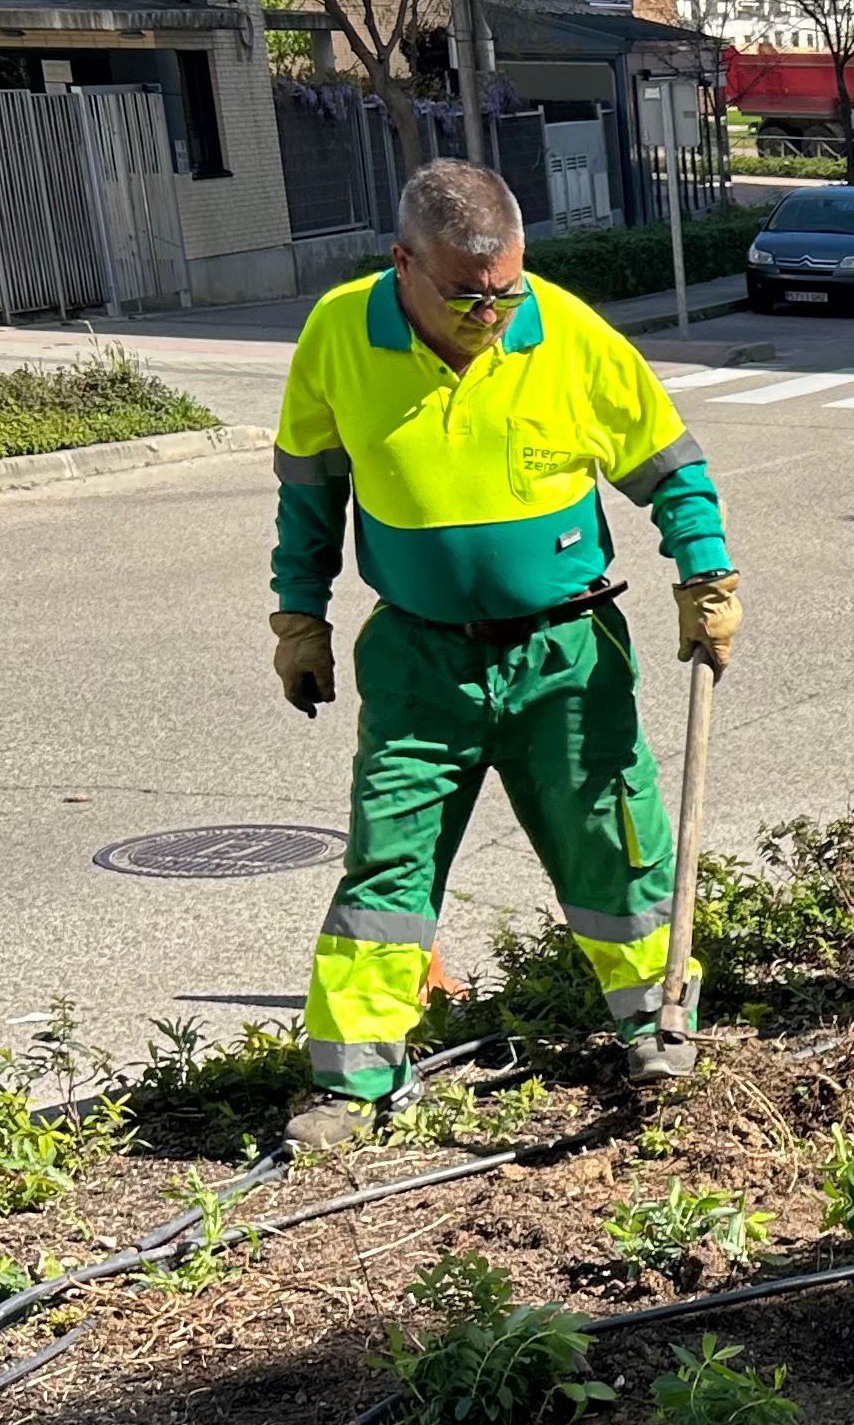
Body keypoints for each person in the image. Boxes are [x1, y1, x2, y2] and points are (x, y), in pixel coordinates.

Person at [267, 158, 740, 1146]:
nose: (493, 311)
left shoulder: (564, 334)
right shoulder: (339, 338)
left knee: (616, 847)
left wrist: (706, 577)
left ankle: (658, 1027)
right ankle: (354, 1085)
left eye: (507, 288)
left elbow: (673, 468)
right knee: (386, 867)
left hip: (565, 655)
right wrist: (299, 620)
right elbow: (309, 492)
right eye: (468, 294)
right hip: (420, 663)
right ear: (403, 263)